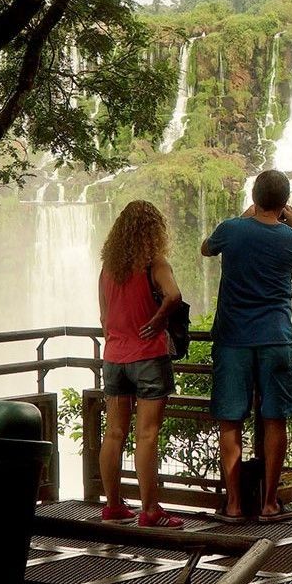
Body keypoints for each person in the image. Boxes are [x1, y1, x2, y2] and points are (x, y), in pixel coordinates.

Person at [201, 170, 292, 523]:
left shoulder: (231, 229)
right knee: (274, 419)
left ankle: (234, 504)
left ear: (253, 195)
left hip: (233, 340)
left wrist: (244, 218)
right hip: (276, 339)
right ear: (284, 204)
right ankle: (270, 503)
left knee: (230, 421)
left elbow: (207, 248)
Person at [97, 200, 184, 529]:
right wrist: (159, 318)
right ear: (154, 229)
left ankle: (114, 506)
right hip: (148, 357)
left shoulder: (108, 266)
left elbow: (104, 317)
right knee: (146, 435)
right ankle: (150, 510)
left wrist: (118, 336)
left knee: (114, 433)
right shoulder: (154, 263)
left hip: (114, 359)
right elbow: (173, 295)